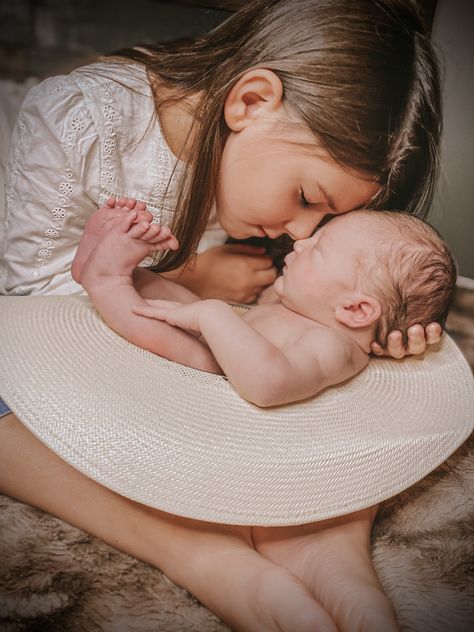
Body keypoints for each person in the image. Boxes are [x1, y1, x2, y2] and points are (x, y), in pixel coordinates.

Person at [0, 1, 446, 630]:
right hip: (30, 302)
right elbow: (32, 304)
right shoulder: (81, 120)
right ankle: (192, 548)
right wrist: (194, 276)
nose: (301, 235)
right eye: (307, 199)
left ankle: (316, 531)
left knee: (339, 385)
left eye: (328, 223)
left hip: (172, 312)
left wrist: (382, 331)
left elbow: (355, 289)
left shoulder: (277, 190)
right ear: (251, 102)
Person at [75, 199, 456, 407]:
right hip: (224, 337)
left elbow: (268, 386)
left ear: (355, 310)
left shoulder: (334, 347)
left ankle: (106, 281)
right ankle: (114, 264)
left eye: (318, 250)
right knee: (167, 295)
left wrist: (211, 315)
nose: (301, 242)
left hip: (221, 374)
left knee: (175, 333)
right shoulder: (312, 310)